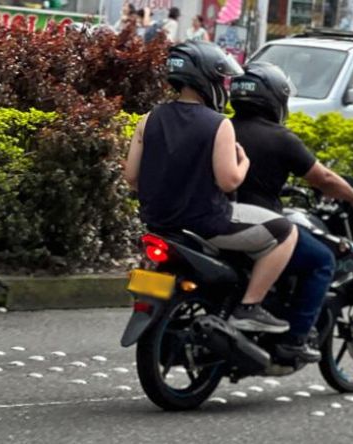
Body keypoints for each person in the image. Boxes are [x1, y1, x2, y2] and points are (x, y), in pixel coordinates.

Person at [124, 42, 298, 333]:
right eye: (221, 80)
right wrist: (243, 162)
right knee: (286, 232)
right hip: (206, 223)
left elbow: (131, 176)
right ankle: (250, 307)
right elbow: (229, 181)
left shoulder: (148, 119)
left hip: (157, 223)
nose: (224, 87)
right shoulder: (218, 124)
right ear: (206, 80)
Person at [231, 62, 353, 362]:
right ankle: (295, 339)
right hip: (259, 226)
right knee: (322, 260)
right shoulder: (280, 138)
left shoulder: (222, 128)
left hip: (218, 219)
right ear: (274, 98)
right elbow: (324, 179)